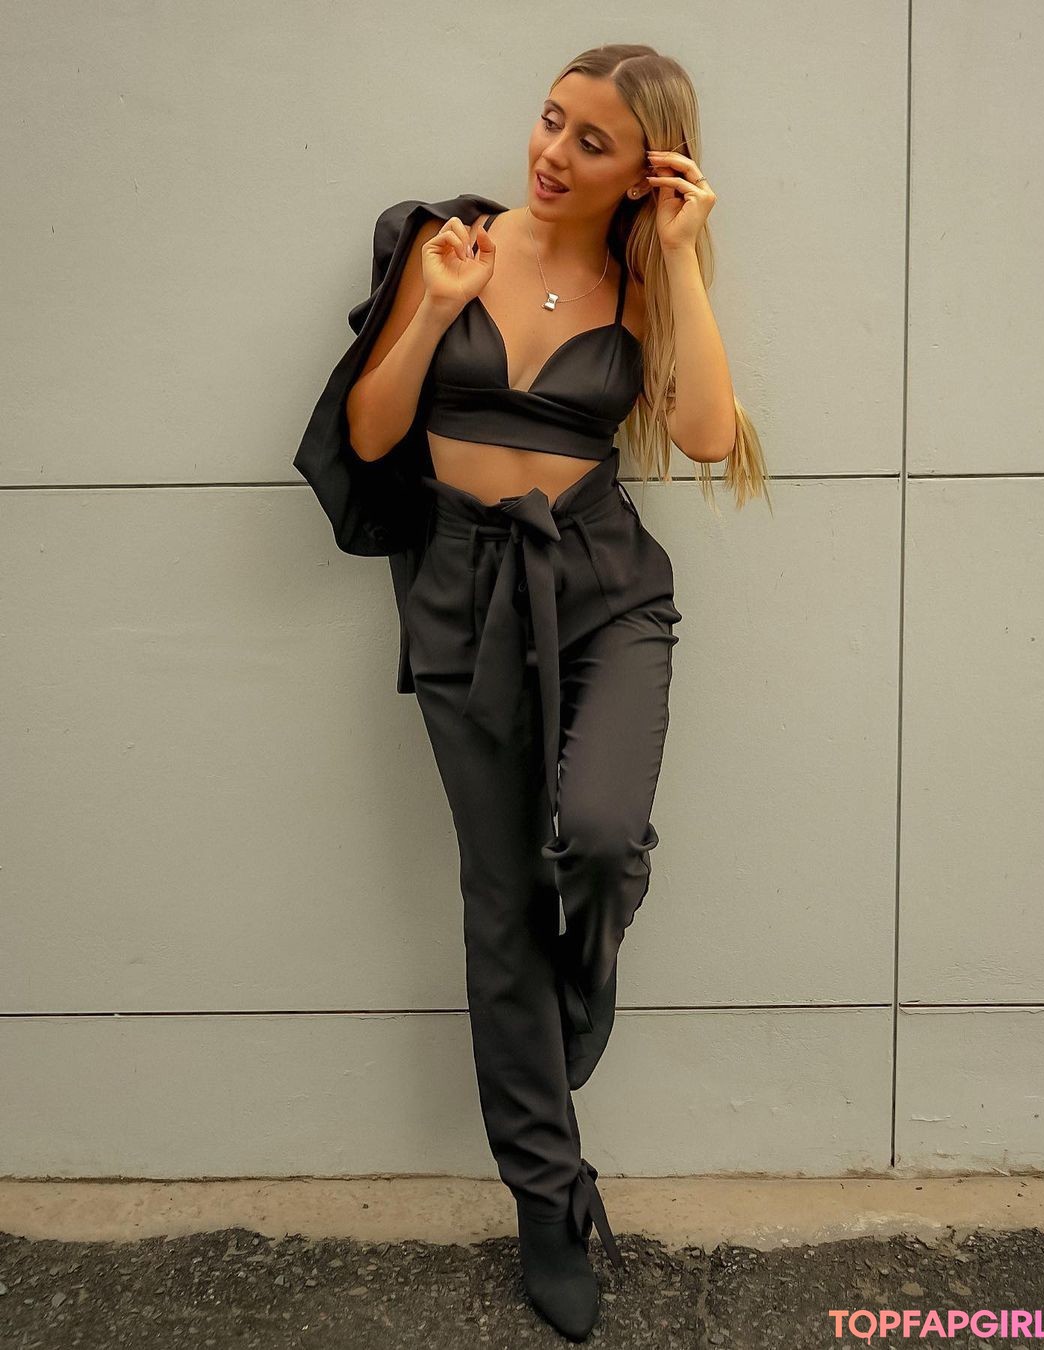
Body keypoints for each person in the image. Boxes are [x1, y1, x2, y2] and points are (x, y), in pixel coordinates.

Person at [293, 42, 770, 1344]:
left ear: (646, 170)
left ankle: (586, 973)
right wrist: (433, 311)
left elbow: (709, 435)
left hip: (605, 584)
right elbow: (374, 433)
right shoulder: (442, 243)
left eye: (592, 141)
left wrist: (681, 257)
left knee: (602, 837)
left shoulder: (644, 279)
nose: (553, 153)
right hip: (462, 594)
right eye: (552, 121)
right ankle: (549, 1201)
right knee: (502, 898)